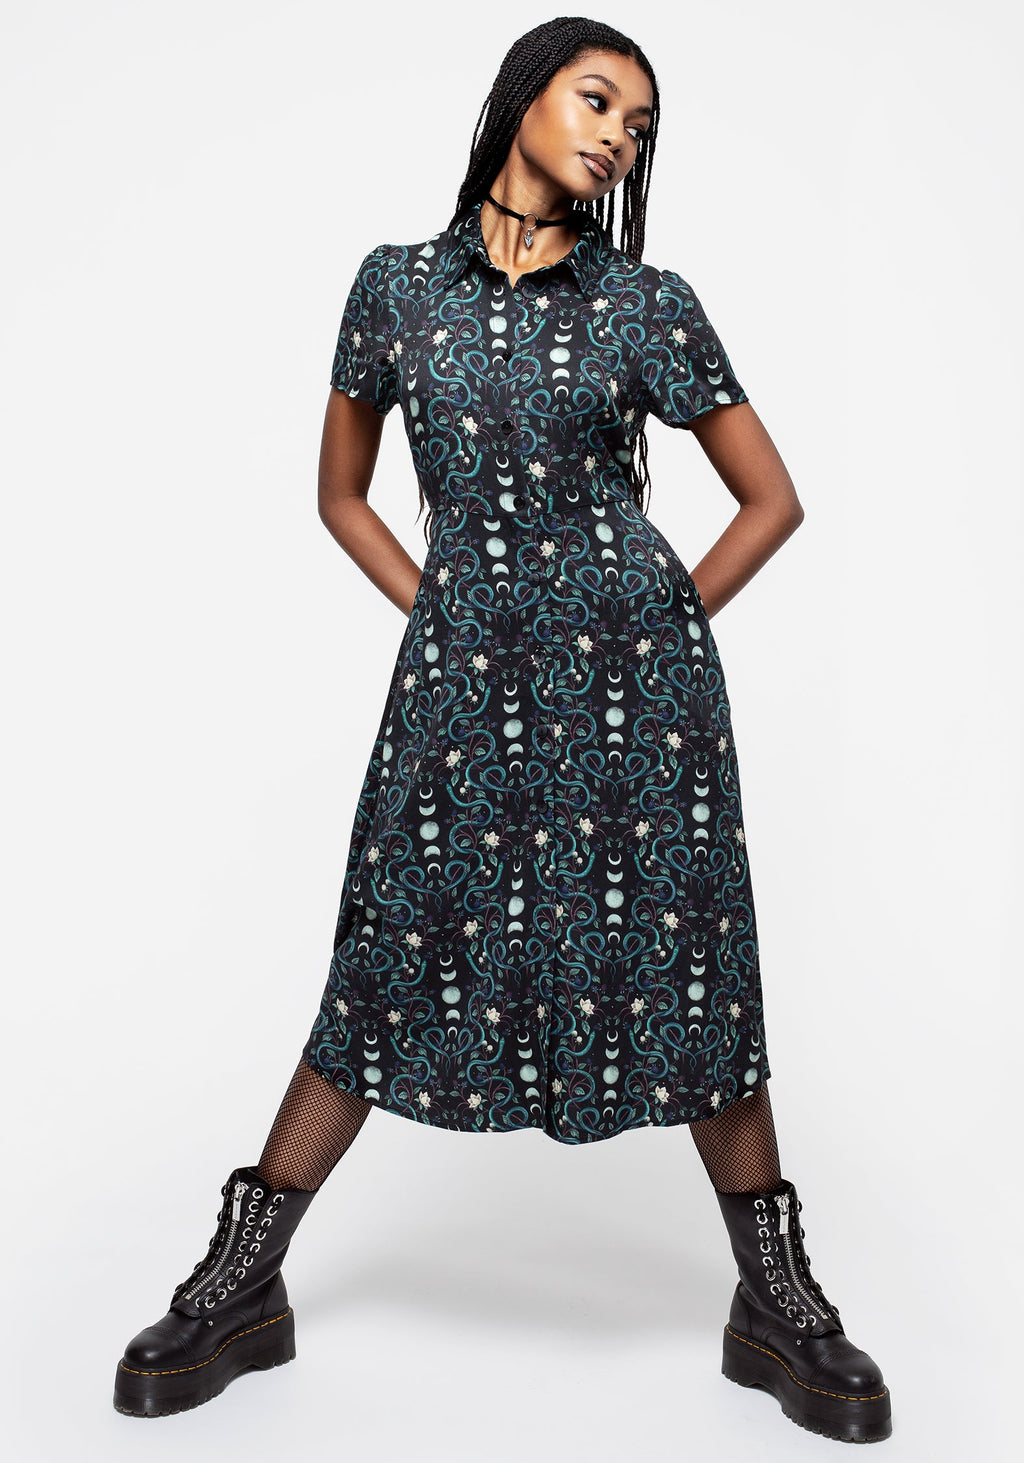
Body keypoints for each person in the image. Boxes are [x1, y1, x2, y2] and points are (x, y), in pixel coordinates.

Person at [113, 16, 891, 1443]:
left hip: (639, 700)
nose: (618, 138)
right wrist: (446, 612)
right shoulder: (396, 288)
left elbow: (771, 500)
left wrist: (655, 623)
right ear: (524, 98)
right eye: (598, 101)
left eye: (640, 127)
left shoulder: (646, 304)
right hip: (464, 686)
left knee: (690, 957)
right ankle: (246, 1276)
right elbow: (341, 491)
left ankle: (774, 1295)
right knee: (392, 941)